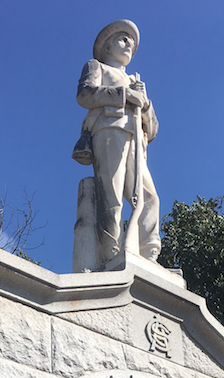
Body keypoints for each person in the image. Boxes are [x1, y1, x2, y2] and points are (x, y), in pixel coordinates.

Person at [72, 20, 160, 267]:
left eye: (131, 43)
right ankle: (111, 252)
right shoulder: (97, 67)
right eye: (123, 40)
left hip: (136, 140)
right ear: (107, 47)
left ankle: (148, 251)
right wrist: (124, 95)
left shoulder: (136, 81)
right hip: (109, 129)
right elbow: (85, 94)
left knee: (149, 196)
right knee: (111, 195)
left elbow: (152, 130)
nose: (129, 45)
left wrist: (144, 104)